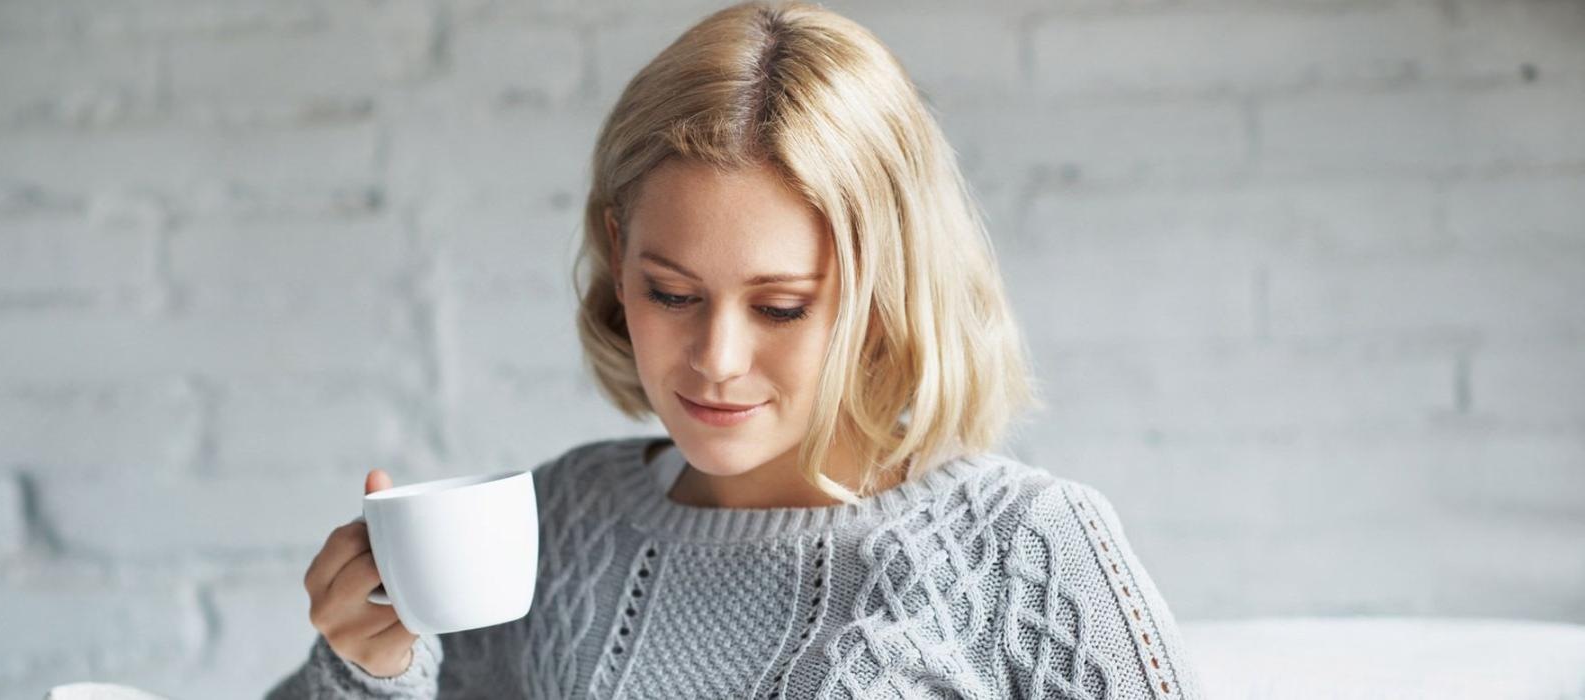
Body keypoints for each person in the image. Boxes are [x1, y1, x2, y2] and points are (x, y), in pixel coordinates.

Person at [267, 1, 1203, 697]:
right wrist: (365, 664)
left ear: (887, 292)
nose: (715, 358)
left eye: (783, 307)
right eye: (671, 294)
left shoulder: (1023, 550)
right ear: (615, 257)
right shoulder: (561, 527)